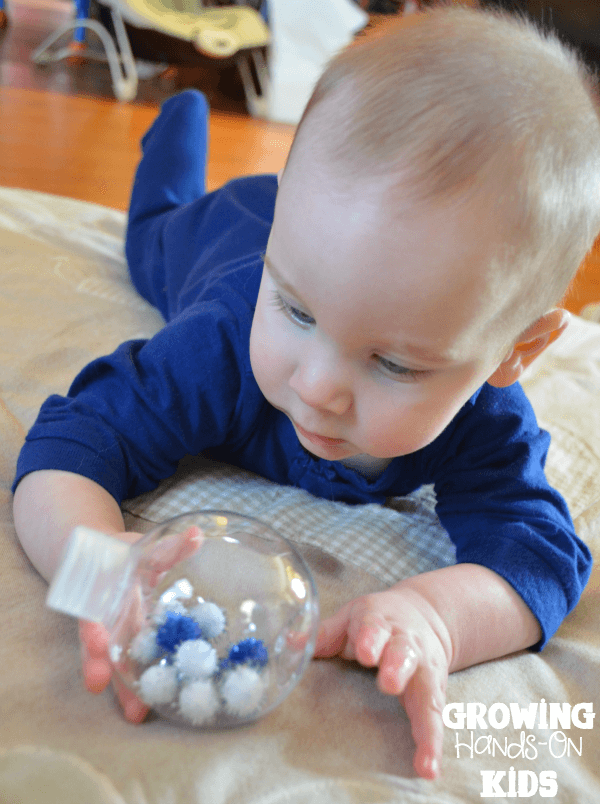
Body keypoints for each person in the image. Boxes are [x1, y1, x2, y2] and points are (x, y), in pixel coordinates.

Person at [12, 6, 600, 781]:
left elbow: (541, 555)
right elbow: (67, 445)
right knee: (152, 228)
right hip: (217, 236)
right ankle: (177, 128)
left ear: (514, 351)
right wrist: (99, 565)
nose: (316, 386)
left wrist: (434, 615)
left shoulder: (487, 422)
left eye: (393, 363)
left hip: (303, 236)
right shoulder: (222, 339)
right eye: (295, 311)